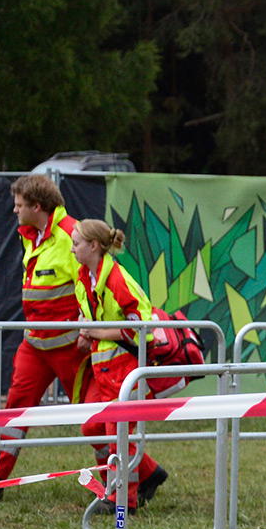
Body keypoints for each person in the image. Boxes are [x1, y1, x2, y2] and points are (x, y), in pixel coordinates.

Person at [0, 175, 91, 496]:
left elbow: (89, 283)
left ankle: (138, 474)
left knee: (93, 412)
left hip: (70, 345)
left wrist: (86, 328)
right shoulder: (32, 236)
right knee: (15, 406)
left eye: (18, 205)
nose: (14, 211)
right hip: (35, 343)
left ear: (37, 207)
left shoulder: (72, 235)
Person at [72, 219, 169, 513]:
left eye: (76, 243)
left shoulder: (118, 280)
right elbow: (88, 316)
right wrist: (84, 334)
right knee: (92, 428)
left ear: (94, 246)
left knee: (119, 436)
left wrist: (98, 332)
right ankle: (135, 479)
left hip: (125, 371)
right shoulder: (83, 277)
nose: (72, 248)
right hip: (102, 372)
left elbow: (142, 329)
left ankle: (122, 503)